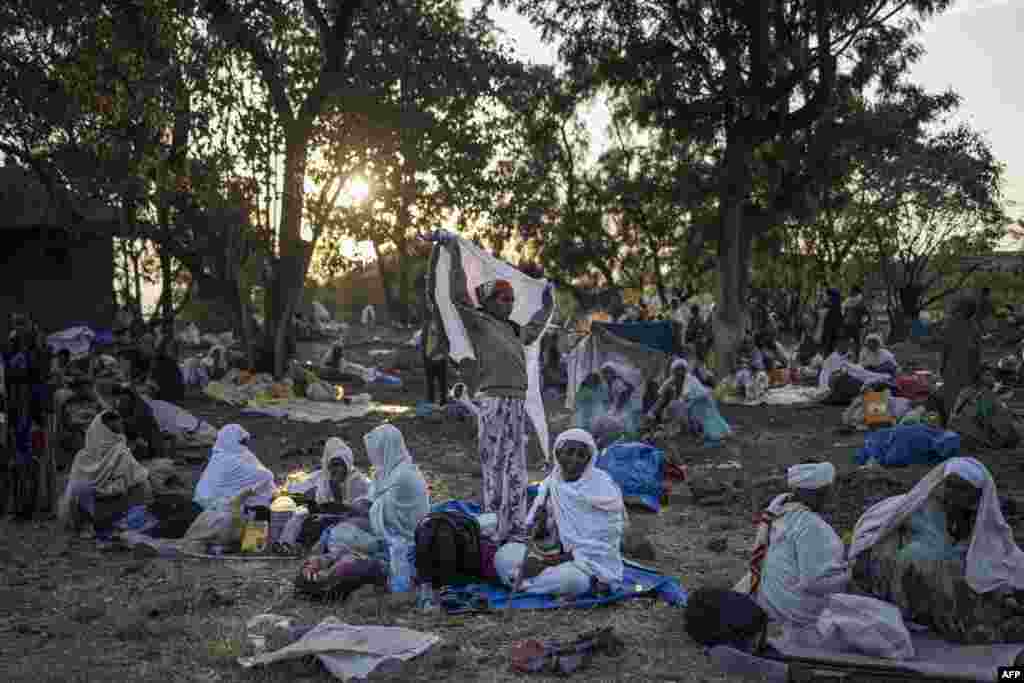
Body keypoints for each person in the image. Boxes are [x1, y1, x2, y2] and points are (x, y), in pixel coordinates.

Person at [444, 236, 552, 545]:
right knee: (494, 464)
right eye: (502, 298)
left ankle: (515, 526)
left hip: (516, 404)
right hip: (492, 401)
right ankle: (493, 527)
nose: (509, 303)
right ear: (489, 301)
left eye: (510, 299)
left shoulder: (515, 330)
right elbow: (458, 296)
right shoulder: (479, 323)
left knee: (516, 467)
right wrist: (453, 253)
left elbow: (536, 326)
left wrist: (548, 303)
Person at [849, 458, 1024, 644]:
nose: (952, 493)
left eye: (962, 489)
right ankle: (962, 625)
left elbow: (995, 552)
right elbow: (902, 543)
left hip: (934, 573)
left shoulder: (980, 517)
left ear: (976, 495)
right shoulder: (922, 509)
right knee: (925, 559)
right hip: (901, 570)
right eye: (950, 486)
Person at [495, 429, 625, 597]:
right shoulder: (551, 483)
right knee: (504, 555)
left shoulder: (602, 488)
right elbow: (537, 536)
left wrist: (544, 564)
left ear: (589, 460)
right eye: (569, 452)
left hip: (585, 564)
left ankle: (522, 582)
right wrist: (540, 523)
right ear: (557, 452)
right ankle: (527, 582)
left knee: (572, 580)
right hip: (550, 554)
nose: (574, 460)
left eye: (581, 455)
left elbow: (600, 546)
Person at [300, 425, 429, 591]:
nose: (373, 457)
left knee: (344, 538)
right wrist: (361, 506)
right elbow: (373, 501)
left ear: (386, 449)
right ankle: (327, 562)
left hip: (401, 535)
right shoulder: (384, 473)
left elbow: (393, 516)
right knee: (339, 532)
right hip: (382, 529)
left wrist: (364, 508)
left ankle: (330, 569)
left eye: (376, 451)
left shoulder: (405, 476)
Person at [735, 461, 849, 648]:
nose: (832, 496)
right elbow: (815, 582)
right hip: (796, 612)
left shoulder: (777, 511)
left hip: (770, 601)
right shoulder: (811, 525)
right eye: (828, 491)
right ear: (816, 492)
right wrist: (850, 573)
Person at [58, 410, 152, 539]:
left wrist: (107, 490)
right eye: (112, 430)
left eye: (117, 430)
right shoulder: (83, 457)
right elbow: (75, 488)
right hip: (94, 506)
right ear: (101, 431)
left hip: (118, 504)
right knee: (79, 487)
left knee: (140, 489)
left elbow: (136, 483)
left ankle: (119, 524)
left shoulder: (122, 452)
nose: (117, 435)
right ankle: (87, 524)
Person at [193, 424, 275, 513]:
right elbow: (264, 475)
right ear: (232, 440)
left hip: (205, 499)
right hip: (215, 502)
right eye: (241, 441)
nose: (244, 445)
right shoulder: (228, 459)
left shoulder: (221, 455)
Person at [941, 298, 982, 426]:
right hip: (963, 369)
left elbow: (946, 348)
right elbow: (977, 353)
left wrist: (942, 365)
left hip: (956, 368)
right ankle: (956, 424)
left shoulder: (953, 324)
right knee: (961, 398)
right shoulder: (973, 327)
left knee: (954, 397)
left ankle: (951, 424)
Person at [591, 361, 641, 447]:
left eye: (608, 373)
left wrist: (616, 411)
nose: (606, 376)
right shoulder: (610, 384)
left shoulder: (617, 383)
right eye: (604, 373)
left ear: (613, 373)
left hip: (624, 411)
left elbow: (624, 396)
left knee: (609, 425)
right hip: (619, 410)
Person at [149, 339, 185, 404]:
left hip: (165, 397)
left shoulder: (157, 361)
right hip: (176, 396)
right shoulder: (172, 363)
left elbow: (152, 381)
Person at [843, 286, 869, 358]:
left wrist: (865, 322)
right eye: (850, 291)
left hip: (856, 326)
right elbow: (844, 313)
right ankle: (846, 357)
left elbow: (866, 314)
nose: (850, 292)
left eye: (852, 291)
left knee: (857, 343)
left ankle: (856, 358)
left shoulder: (860, 301)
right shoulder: (847, 301)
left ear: (856, 292)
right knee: (846, 343)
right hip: (847, 325)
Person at [821, 288, 844, 355]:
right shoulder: (834, 304)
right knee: (829, 347)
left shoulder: (833, 304)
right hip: (830, 329)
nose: (828, 296)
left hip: (832, 329)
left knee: (829, 347)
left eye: (830, 295)